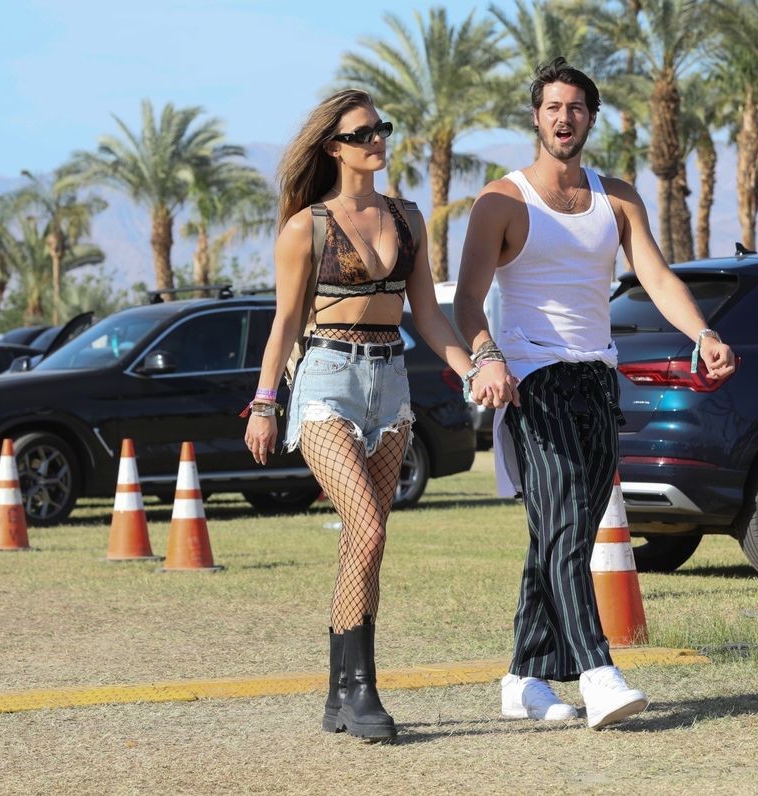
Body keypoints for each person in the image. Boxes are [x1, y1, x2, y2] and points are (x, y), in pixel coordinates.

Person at [454, 58, 736, 730]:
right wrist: (486, 359)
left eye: (576, 108)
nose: (564, 118)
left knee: (568, 531)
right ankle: (597, 671)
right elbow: (466, 300)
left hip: (598, 378)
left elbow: (657, 277)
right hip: (533, 378)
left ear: (591, 119)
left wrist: (702, 332)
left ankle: (523, 677)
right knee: (561, 526)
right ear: (536, 117)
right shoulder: (503, 200)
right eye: (553, 107)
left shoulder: (618, 198)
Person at [244, 89, 489, 742]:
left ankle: (338, 694)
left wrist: (472, 370)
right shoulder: (307, 228)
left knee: (365, 543)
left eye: (381, 128)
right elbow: (284, 323)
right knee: (368, 529)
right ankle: (362, 690)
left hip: (391, 382)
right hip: (326, 381)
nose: (376, 140)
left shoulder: (407, 218)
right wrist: (265, 403)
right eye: (361, 133)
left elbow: (427, 315)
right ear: (334, 148)